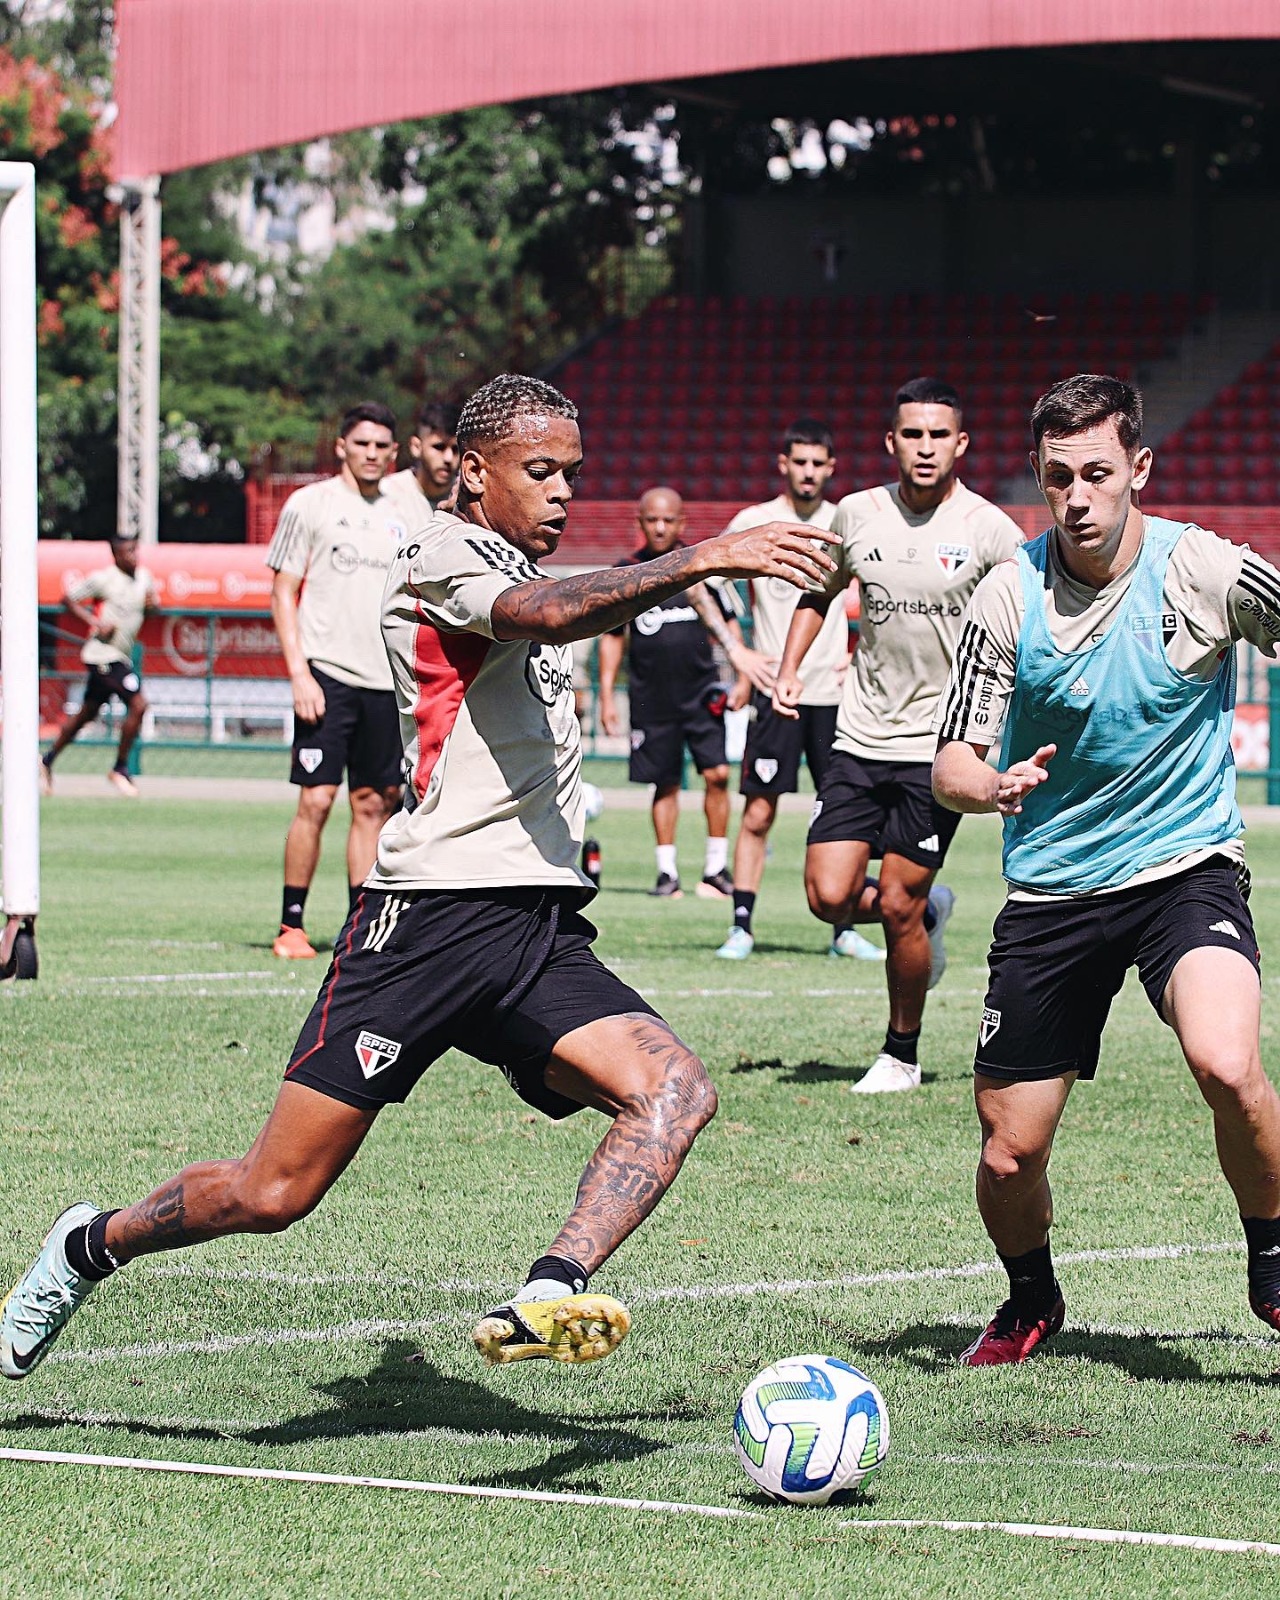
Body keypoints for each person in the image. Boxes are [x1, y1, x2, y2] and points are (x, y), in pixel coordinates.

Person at [0, 372, 838, 1381]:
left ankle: (548, 1290)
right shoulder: (444, 553)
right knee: (274, 1193)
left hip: (530, 928)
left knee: (675, 1091)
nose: (564, 492)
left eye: (573, 473)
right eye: (541, 471)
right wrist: (697, 556)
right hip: (426, 924)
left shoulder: (512, 555)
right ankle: (88, 1245)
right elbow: (540, 614)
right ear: (474, 472)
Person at [933, 372, 1280, 1365]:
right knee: (1009, 1153)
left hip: (1184, 868)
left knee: (1226, 1063)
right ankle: (1030, 1298)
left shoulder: (1205, 569)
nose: (1077, 496)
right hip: (1052, 889)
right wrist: (992, 786)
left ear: (1138, 468)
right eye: (1057, 477)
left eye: (1096, 473)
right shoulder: (1008, 592)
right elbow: (951, 763)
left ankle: (1271, 1263)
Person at [775, 377, 1023, 1093]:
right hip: (858, 735)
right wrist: (788, 669)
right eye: (912, 434)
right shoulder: (856, 513)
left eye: (939, 434)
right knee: (827, 896)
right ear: (891, 441)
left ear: (961, 443)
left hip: (938, 748)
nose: (925, 447)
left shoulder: (989, 530)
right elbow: (818, 592)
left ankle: (900, 1056)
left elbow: (1029, 619)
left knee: (895, 905)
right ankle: (931, 911)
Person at [714, 419, 882, 963]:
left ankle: (843, 929)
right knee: (758, 813)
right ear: (783, 464)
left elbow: (881, 593)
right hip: (776, 697)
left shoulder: (846, 521)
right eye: (799, 462)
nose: (808, 472)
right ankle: (741, 926)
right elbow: (705, 583)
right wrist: (739, 653)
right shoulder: (754, 521)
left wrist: (859, 652)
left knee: (844, 818)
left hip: (836, 699)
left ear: (831, 467)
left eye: (818, 463)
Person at [266, 402, 408, 960]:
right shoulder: (310, 504)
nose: (371, 453)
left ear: (394, 452)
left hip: (386, 681)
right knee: (317, 800)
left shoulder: (407, 511)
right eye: (362, 443)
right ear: (341, 447)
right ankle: (291, 925)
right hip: (327, 674)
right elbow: (283, 591)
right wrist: (299, 673)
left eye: (381, 445)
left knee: (374, 804)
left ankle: (359, 929)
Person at [598, 486, 775, 900]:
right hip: (651, 698)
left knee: (718, 775)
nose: (660, 528)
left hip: (701, 694)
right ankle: (667, 873)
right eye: (652, 520)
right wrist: (606, 695)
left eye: (668, 520)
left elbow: (730, 624)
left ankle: (715, 869)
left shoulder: (701, 567)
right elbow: (612, 637)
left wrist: (743, 679)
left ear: (682, 523)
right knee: (664, 784)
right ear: (640, 523)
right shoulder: (626, 573)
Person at [40, 536, 157, 797]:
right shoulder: (104, 579)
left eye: (135, 550)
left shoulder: (144, 578)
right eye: (128, 552)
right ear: (116, 556)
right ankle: (120, 768)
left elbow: (151, 610)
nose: (134, 556)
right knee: (139, 705)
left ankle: (47, 760)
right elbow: (68, 600)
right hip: (103, 655)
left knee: (86, 714)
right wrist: (95, 622)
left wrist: (152, 608)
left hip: (121, 655)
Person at [381, 400, 460, 526]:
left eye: (456, 449)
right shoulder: (386, 493)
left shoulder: (467, 499)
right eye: (439, 447)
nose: (448, 458)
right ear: (416, 447)